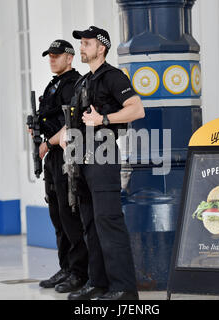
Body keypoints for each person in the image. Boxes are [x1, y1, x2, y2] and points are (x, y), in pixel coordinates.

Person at [60, 26, 145, 300]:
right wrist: (63, 137)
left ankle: (123, 288)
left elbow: (137, 109)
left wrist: (103, 120)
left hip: (103, 152)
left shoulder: (113, 77)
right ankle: (98, 283)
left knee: (108, 221)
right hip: (81, 157)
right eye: (81, 43)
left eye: (87, 43)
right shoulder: (83, 82)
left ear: (102, 47)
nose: (82, 47)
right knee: (90, 224)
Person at [33, 40, 88, 293]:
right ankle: (65, 267)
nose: (52, 60)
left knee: (70, 215)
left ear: (70, 57)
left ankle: (79, 272)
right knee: (57, 214)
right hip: (52, 156)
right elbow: (47, 116)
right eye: (50, 56)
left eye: (57, 56)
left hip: (67, 154)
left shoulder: (75, 83)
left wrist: (49, 143)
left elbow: (72, 122)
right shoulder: (53, 84)